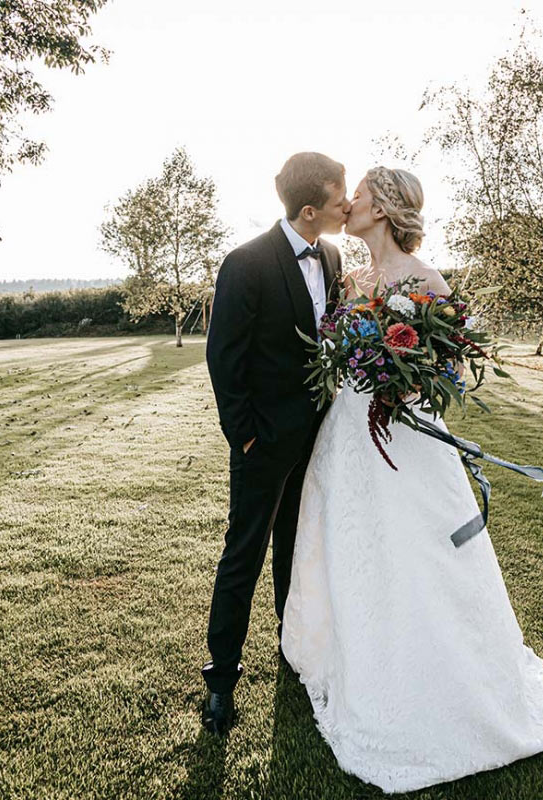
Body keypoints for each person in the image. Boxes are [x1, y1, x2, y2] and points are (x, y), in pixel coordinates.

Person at [279, 166, 543, 793]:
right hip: (348, 436)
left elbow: (448, 372)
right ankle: (358, 655)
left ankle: (431, 676)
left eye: (359, 196)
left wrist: (400, 376)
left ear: (381, 208)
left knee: (415, 551)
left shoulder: (427, 281)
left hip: (404, 439)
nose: (347, 203)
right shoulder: (349, 280)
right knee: (355, 546)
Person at [201, 152, 349, 734]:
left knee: (297, 550)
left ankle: (294, 653)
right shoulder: (246, 263)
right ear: (309, 209)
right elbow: (223, 358)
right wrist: (245, 437)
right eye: (340, 198)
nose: (347, 205)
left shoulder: (333, 256)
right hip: (263, 444)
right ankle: (221, 682)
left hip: (318, 438)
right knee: (244, 557)